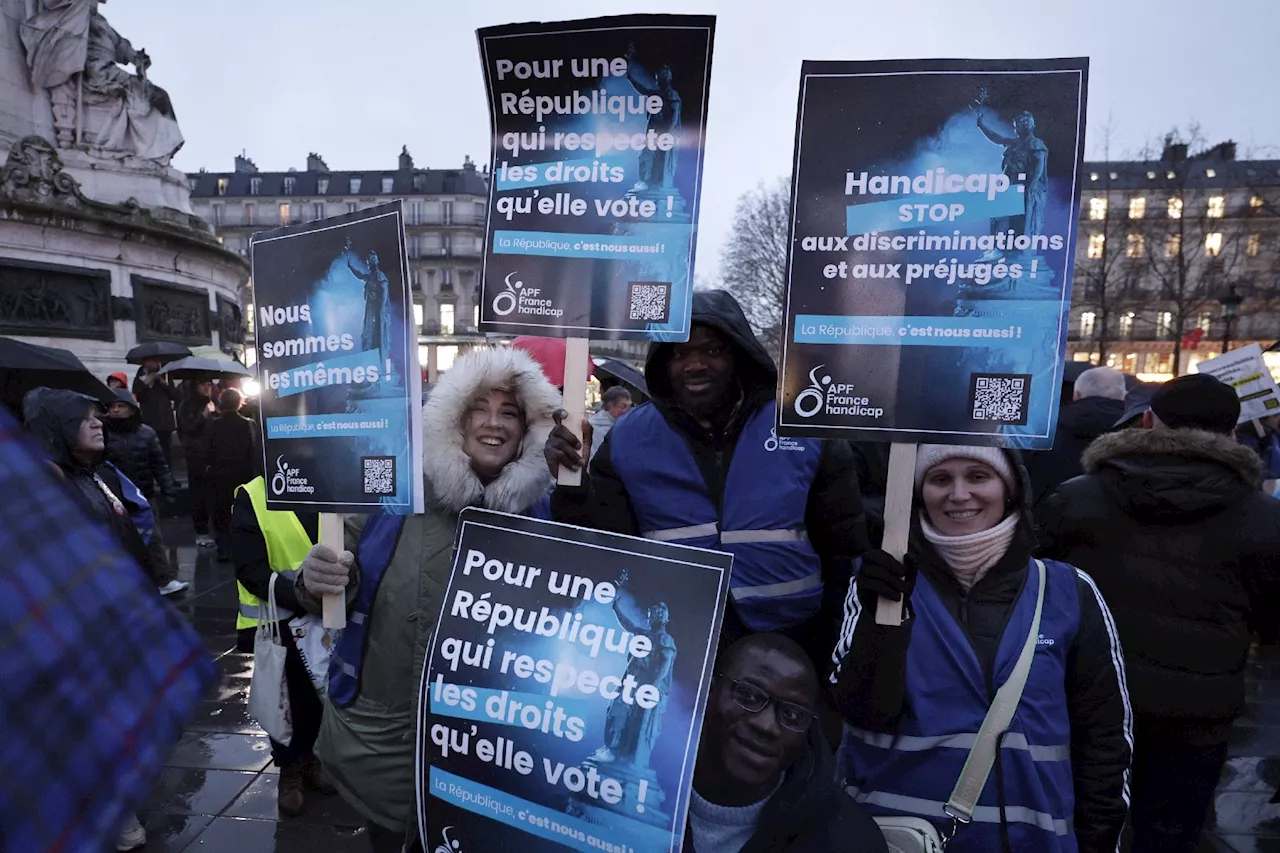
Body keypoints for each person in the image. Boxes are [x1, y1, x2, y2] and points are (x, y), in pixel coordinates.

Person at [292, 346, 560, 852]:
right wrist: (313, 580)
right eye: (478, 408)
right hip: (386, 739)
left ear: (528, 430)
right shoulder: (393, 489)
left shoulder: (548, 519)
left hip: (493, 754)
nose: (494, 424)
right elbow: (331, 580)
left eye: (510, 413)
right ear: (451, 418)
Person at [832, 444, 1131, 853]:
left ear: (1009, 489)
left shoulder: (1068, 591)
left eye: (978, 476)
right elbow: (864, 712)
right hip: (904, 840)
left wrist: (1099, 842)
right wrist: (879, 623)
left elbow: (1105, 740)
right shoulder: (877, 589)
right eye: (940, 479)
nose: (958, 495)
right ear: (919, 492)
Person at [545, 289, 867, 669]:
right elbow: (604, 551)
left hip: (795, 642)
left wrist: (836, 651)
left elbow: (845, 552)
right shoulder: (628, 437)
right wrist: (572, 486)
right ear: (664, 362)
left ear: (739, 355)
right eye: (680, 352)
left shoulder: (800, 426)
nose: (694, 364)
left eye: (712, 350)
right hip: (677, 653)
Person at [1038, 372, 1280, 853]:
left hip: (1087, 696)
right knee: (1170, 831)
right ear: (1232, 434)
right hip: (1198, 710)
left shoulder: (1077, 496)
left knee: (1079, 822)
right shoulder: (1264, 518)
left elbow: (1038, 587)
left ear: (1148, 420)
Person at [21, 387, 159, 851]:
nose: (99, 421)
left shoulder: (97, 474)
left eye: (98, 414)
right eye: (85, 418)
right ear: (58, 429)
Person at [687, 633, 886, 853]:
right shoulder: (646, 781)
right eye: (749, 695)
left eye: (791, 715)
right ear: (708, 691)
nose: (766, 726)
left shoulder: (849, 842)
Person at [230, 474, 332, 816]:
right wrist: (302, 596)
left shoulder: (332, 482)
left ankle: (315, 760)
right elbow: (250, 569)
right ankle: (290, 769)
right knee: (288, 701)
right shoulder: (253, 494)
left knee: (323, 697)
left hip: (327, 620)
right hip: (281, 623)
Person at [103, 389, 186, 595]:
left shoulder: (146, 433)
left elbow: (159, 464)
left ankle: (163, 579)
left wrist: (168, 489)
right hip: (114, 497)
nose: (115, 410)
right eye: (112, 406)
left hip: (143, 495)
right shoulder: (104, 433)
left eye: (120, 406)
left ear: (131, 409)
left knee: (153, 539)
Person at [1025, 366, 1127, 507]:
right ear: (1123, 395)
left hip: (1051, 517)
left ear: (1077, 395)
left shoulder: (1041, 430)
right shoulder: (1138, 431)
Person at [205, 389, 259, 562]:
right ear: (239, 403)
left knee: (220, 512)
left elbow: (206, 450)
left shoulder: (213, 424)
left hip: (219, 474)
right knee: (241, 510)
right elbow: (254, 450)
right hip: (243, 474)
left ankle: (223, 548)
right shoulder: (248, 424)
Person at [177, 379, 217, 547]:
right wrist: (204, 415)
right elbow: (188, 428)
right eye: (203, 383)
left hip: (213, 454)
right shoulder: (186, 405)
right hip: (195, 455)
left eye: (209, 384)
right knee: (198, 496)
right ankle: (201, 531)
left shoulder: (213, 402)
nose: (207, 387)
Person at [132, 358, 178, 466]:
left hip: (165, 420)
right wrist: (146, 382)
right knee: (152, 450)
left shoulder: (165, 373)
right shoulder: (140, 375)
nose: (154, 364)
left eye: (156, 361)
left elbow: (174, 395)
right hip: (150, 419)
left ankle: (169, 476)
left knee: (166, 450)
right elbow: (136, 395)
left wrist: (163, 383)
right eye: (150, 361)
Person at [588, 386, 632, 460]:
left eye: (630, 406)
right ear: (609, 406)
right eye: (624, 406)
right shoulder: (592, 425)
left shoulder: (624, 425)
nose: (628, 411)